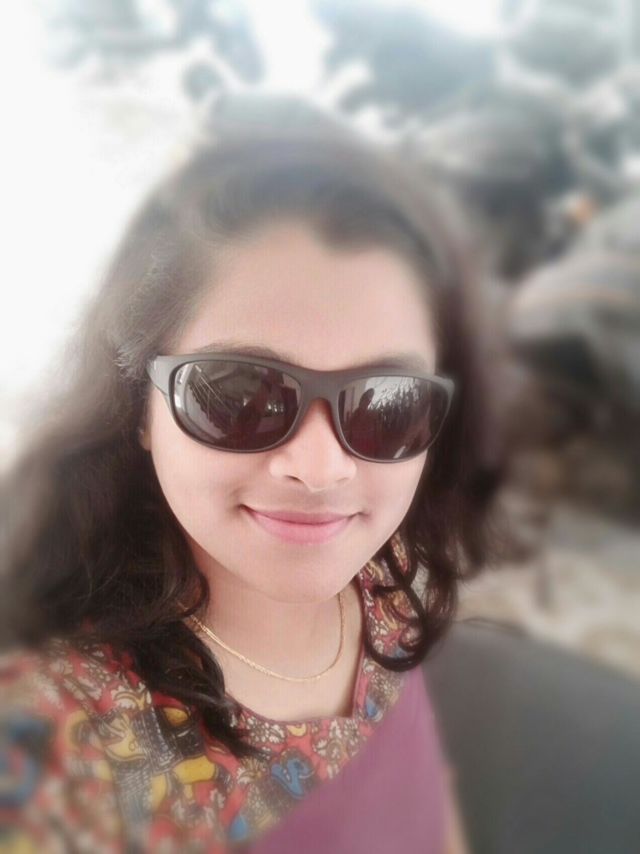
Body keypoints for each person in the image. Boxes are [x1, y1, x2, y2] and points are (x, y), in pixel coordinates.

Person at [0, 99, 499, 852]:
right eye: (238, 395)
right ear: (139, 408)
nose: (322, 469)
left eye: (388, 404)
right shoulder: (51, 738)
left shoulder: (385, 580)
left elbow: (426, 797)